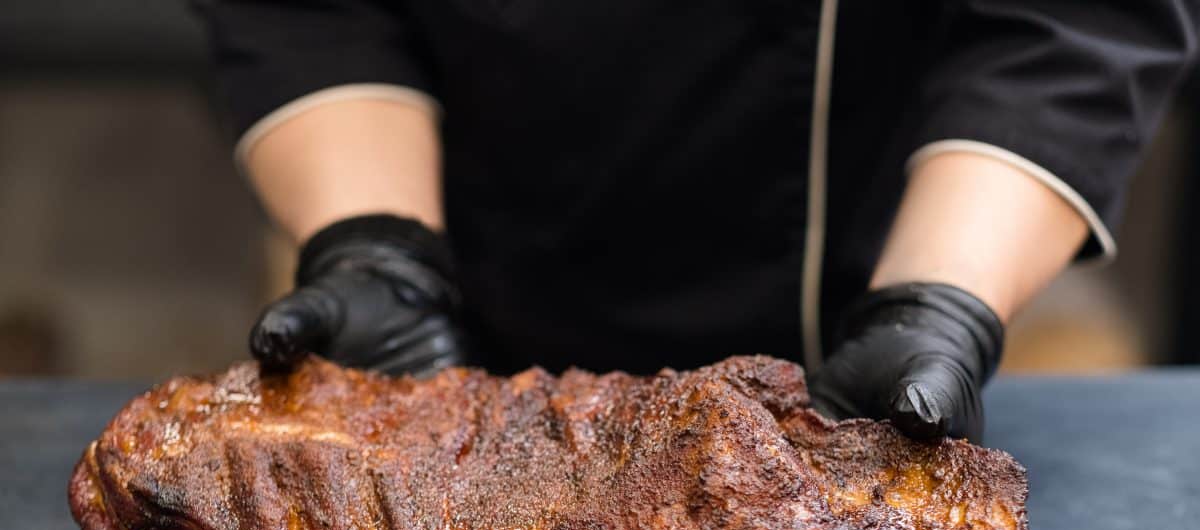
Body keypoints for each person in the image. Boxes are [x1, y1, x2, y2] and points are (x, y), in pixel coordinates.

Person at [194, 1, 1198, 442]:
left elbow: (1080, 20)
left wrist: (943, 309)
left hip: (873, 313)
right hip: (470, 314)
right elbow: (311, 7)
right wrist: (381, 250)